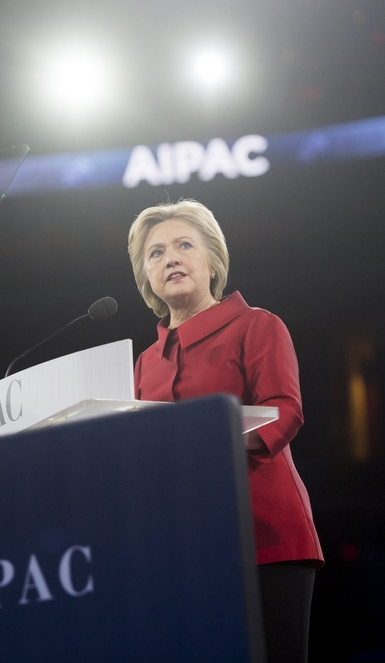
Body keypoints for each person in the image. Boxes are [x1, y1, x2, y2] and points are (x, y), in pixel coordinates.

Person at [128, 199, 323, 663]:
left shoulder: (257, 325)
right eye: (156, 253)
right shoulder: (145, 363)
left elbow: (285, 411)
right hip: (186, 549)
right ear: (146, 276)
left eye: (184, 245)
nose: (170, 259)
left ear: (212, 261)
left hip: (265, 536)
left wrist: (208, 446)